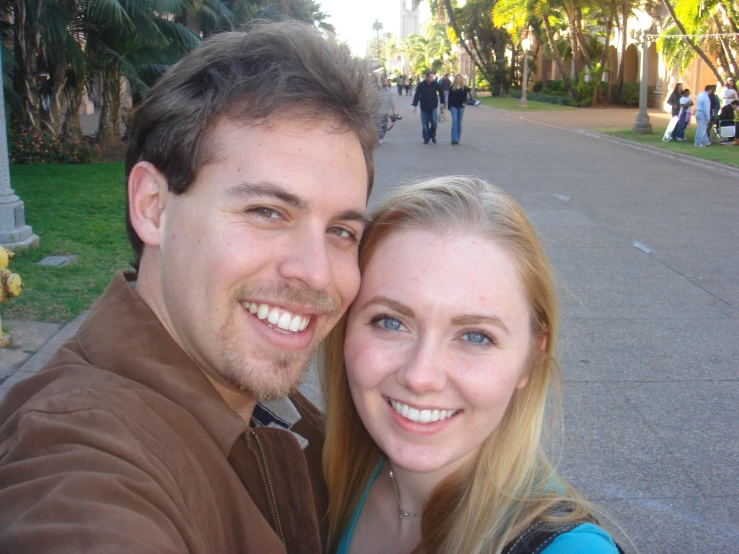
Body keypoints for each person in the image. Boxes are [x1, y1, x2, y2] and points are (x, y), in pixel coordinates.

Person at [0, 21, 379, 553]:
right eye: (267, 211)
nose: (316, 272)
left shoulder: (268, 406)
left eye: (341, 231)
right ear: (153, 206)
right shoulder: (77, 455)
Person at [322, 177, 625, 554]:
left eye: (476, 336)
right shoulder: (319, 476)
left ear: (531, 356)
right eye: (390, 321)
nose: (420, 377)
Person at [412, 71, 446, 144]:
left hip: (433, 106)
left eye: (432, 77)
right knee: (424, 123)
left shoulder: (435, 84)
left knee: (434, 122)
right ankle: (426, 138)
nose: (432, 78)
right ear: (427, 77)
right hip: (424, 106)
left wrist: (442, 102)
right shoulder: (421, 85)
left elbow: (441, 93)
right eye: (430, 77)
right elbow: (417, 95)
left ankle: (432, 134)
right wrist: (415, 105)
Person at [447, 74, 472, 145]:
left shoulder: (464, 88)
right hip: (453, 106)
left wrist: (465, 102)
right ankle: (454, 139)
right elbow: (449, 97)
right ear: (455, 79)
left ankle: (457, 138)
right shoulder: (452, 87)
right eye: (457, 78)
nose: (459, 80)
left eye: (460, 78)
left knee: (459, 123)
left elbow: (466, 96)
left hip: (461, 106)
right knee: (454, 122)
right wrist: (449, 106)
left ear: (461, 79)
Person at [378, 77, 397, 145]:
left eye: (386, 81)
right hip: (378, 113)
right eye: (384, 81)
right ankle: (379, 139)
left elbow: (392, 102)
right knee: (379, 126)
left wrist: (394, 111)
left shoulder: (390, 92)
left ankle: (381, 138)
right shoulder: (378, 91)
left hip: (385, 112)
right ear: (381, 82)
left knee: (384, 126)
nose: (385, 82)